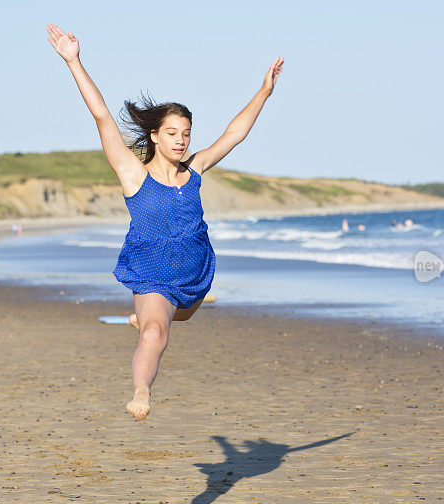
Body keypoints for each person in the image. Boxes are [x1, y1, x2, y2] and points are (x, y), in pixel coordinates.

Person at [47, 24, 284, 420]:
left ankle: (148, 315)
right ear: (155, 135)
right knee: (155, 335)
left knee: (179, 313)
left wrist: (263, 92)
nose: (181, 141)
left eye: (186, 134)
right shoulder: (134, 175)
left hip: (194, 275)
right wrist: (74, 60)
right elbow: (103, 117)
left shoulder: (196, 170)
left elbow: (234, 133)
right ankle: (141, 390)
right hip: (154, 274)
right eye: (172, 133)